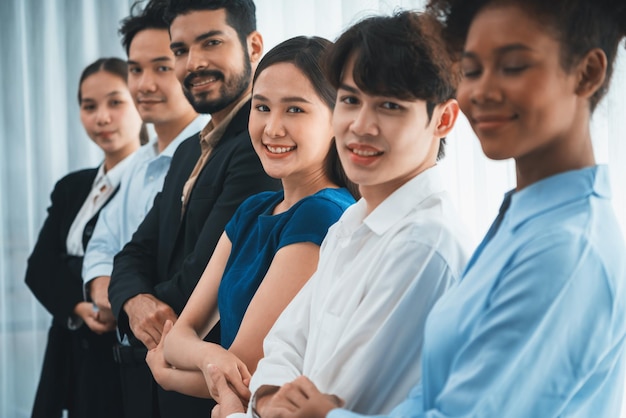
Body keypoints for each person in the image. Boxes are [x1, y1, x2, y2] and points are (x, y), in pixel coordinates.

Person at [240, 1, 626, 417]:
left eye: (513, 66)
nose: (481, 91)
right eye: (473, 69)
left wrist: (321, 414)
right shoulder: (523, 219)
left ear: (587, 73)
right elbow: (429, 395)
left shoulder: (565, 249)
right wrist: (273, 399)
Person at [214, 10, 472, 418]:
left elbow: (339, 398)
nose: (359, 125)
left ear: (443, 119)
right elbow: (284, 345)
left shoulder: (423, 243)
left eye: (389, 105)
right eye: (350, 100)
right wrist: (264, 397)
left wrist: (240, 409)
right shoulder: (354, 220)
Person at [143, 35, 358, 400]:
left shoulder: (323, 216)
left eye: (295, 109)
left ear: (338, 119)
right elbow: (181, 333)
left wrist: (170, 375)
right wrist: (210, 355)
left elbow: (248, 373)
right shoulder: (254, 209)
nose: (272, 128)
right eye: (261, 108)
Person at [107, 0, 282, 416]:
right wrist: (134, 301)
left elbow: (200, 279)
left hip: (218, 389)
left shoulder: (265, 146)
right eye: (181, 50)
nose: (193, 63)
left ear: (253, 45)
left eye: (211, 42)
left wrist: (142, 308)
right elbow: (135, 251)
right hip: (168, 382)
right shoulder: (188, 149)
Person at [80, 1, 209, 415]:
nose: (144, 84)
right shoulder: (135, 164)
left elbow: (190, 271)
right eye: (135, 69)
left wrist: (126, 294)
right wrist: (114, 295)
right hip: (131, 365)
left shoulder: (210, 154)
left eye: (161, 66)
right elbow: (104, 249)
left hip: (189, 370)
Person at [25, 57, 144, 418]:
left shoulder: (157, 183)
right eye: (89, 106)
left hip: (120, 361)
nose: (101, 117)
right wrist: (80, 306)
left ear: (140, 102)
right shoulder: (72, 187)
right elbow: (39, 268)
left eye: (115, 102)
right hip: (67, 346)